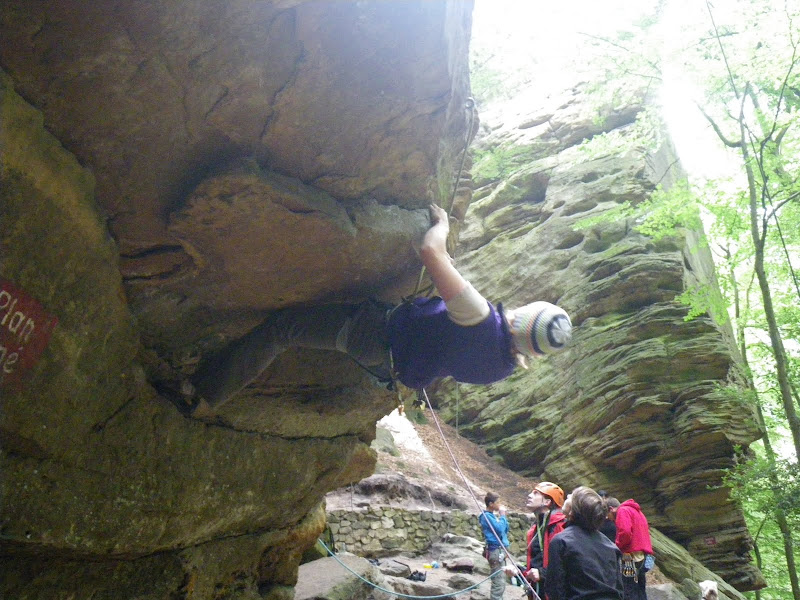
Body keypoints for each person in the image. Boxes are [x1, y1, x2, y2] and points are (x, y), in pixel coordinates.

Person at [175, 204, 572, 416]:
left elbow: (430, 251)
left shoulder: (480, 317)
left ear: (524, 317)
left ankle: (204, 394)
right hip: (387, 363)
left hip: (373, 334)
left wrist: (443, 226)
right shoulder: (501, 367)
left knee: (282, 330)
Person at [545, 486, 623, 600]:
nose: (568, 496)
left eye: (571, 496)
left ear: (572, 511)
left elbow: (555, 589)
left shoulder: (561, 541)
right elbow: (619, 589)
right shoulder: (611, 547)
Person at [522, 481, 566, 600]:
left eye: (536, 493)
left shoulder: (559, 526)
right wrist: (520, 571)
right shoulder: (536, 528)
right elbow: (537, 560)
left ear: (547, 502)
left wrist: (542, 573)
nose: (530, 495)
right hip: (538, 589)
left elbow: (564, 562)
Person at [615, 499, 653, 600]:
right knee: (640, 589)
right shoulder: (638, 512)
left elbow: (625, 532)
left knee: (629, 589)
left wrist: (616, 545)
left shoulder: (623, 510)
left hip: (629, 557)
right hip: (644, 556)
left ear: (611, 509)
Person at [479, 492, 510, 600]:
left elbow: (505, 529)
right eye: (498, 502)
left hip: (500, 550)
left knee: (501, 581)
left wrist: (503, 518)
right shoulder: (486, 517)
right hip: (495, 550)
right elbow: (499, 529)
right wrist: (502, 516)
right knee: (498, 582)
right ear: (491, 504)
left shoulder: (493, 516)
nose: (500, 504)